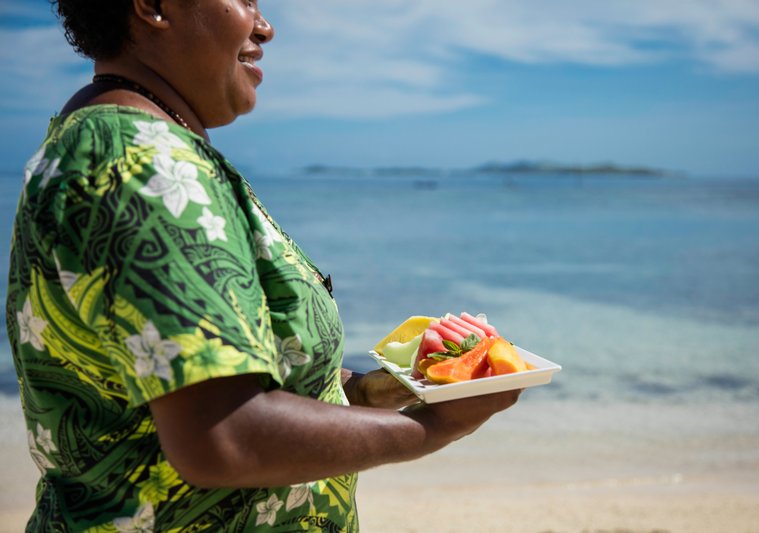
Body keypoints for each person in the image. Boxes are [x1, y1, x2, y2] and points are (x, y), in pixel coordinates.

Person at [6, 0, 520, 530]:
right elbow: (225, 437)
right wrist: (436, 427)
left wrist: (367, 392)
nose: (265, 26)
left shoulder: (111, 145)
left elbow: (197, 388)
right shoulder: (145, 166)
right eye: (243, 0)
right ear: (155, 7)